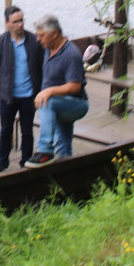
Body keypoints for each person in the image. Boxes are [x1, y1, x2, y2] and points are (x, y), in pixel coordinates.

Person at [0, 5, 44, 173]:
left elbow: (45, 66)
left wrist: (45, 90)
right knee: (6, 130)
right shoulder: (0, 42)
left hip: (29, 95)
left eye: (21, 21)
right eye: (15, 22)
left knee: (27, 131)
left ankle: (26, 160)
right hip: (8, 96)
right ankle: (2, 161)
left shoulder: (35, 41)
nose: (19, 24)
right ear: (7, 23)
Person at [24, 14, 89, 169]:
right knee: (63, 143)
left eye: (41, 36)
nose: (38, 39)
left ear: (54, 34)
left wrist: (49, 91)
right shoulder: (48, 48)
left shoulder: (71, 54)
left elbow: (75, 87)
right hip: (60, 103)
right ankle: (66, 173)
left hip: (76, 104)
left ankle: (45, 150)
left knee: (48, 102)